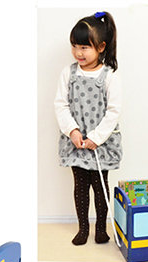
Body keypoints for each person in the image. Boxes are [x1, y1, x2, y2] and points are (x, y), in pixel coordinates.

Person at [54, 11, 122, 245]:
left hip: (100, 144)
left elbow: (113, 111)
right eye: (75, 46)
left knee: (100, 187)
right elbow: (61, 104)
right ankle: (83, 228)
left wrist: (96, 137)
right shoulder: (68, 73)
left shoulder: (109, 76)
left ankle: (101, 229)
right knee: (80, 187)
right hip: (76, 142)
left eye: (84, 47)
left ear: (101, 47)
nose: (78, 53)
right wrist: (72, 131)